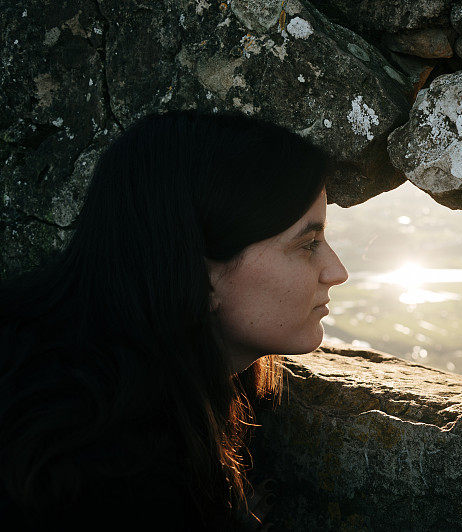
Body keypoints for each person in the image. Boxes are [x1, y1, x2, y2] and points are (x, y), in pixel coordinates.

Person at [0, 109, 349, 530]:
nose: (337, 271)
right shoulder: (109, 476)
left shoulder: (64, 359)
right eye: (308, 244)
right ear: (199, 275)